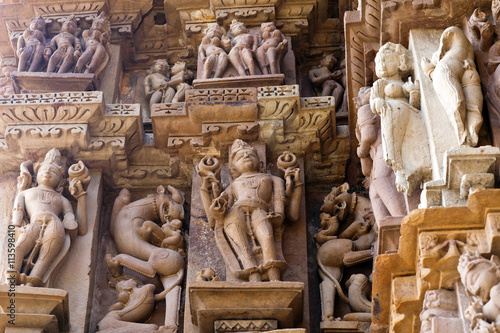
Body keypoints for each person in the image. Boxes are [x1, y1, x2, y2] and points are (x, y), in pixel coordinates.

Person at [198, 140, 302, 282]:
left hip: (260, 210)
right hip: (235, 212)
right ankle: (254, 278)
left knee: (266, 237)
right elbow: (216, 217)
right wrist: (212, 198)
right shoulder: (234, 184)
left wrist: (279, 213)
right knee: (242, 246)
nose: (246, 156)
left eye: (251, 155)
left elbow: (280, 200)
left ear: (260, 164)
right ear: (233, 169)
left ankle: (274, 277)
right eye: (240, 157)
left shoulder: (273, 179)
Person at [10, 148, 78, 287]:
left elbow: (70, 219)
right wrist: (16, 227)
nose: (47, 173)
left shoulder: (61, 198)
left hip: (55, 225)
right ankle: (11, 279)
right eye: (43, 171)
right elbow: (18, 210)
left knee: (46, 256)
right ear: (36, 176)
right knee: (19, 248)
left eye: (52, 172)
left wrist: (79, 198)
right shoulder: (26, 193)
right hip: (34, 222)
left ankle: (32, 283)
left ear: (60, 181)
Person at [370, 42, 421, 193]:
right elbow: (374, 102)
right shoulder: (380, 83)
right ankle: (400, 169)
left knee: (413, 143)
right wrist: (378, 102)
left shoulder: (405, 81)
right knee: (395, 145)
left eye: (387, 60)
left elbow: (415, 104)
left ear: (400, 62)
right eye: (379, 62)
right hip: (392, 114)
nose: (382, 65)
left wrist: (413, 92)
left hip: (410, 114)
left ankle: (413, 167)